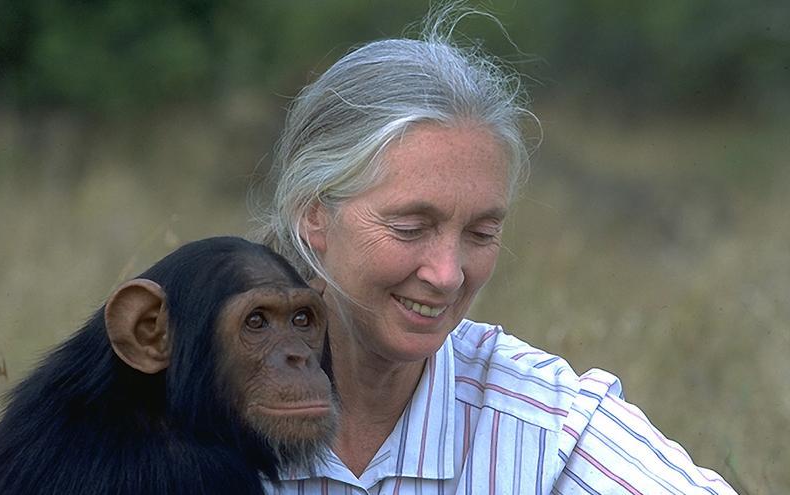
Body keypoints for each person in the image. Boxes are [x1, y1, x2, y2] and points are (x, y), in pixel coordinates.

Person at [253, 7, 736, 494]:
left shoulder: (548, 425)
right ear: (313, 214)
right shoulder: (199, 404)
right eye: (410, 226)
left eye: (481, 234)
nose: (447, 274)